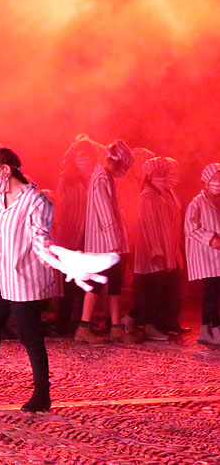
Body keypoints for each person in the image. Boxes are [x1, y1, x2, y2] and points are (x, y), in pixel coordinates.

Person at [0, 148, 115, 412]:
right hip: (0, 279)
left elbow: (40, 239)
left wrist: (62, 259)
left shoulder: (36, 201)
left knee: (30, 336)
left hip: (25, 282)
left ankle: (42, 394)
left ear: (6, 170)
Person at [75, 140, 140, 344]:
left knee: (115, 285)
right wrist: (114, 245)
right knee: (95, 284)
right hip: (105, 245)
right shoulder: (102, 177)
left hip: (111, 243)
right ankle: (83, 328)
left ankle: (116, 328)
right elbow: (105, 213)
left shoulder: (105, 177)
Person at [51, 135, 102, 335]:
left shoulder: (97, 178)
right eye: (79, 157)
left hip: (91, 235)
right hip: (70, 233)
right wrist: (61, 232)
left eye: (87, 156)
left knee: (86, 279)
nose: (83, 161)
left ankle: (81, 320)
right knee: (69, 280)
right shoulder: (67, 179)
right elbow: (61, 207)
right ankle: (64, 322)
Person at [130, 157, 183, 340]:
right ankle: (149, 326)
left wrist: (173, 250)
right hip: (153, 251)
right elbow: (149, 226)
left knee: (164, 288)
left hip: (167, 249)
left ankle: (161, 323)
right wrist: (156, 250)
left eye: (165, 174)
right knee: (152, 288)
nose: (163, 177)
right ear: (150, 176)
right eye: (159, 174)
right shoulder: (147, 197)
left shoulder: (166, 195)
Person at [184, 163, 220, 346]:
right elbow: (190, 228)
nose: (218, 183)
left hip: (216, 257)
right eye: (215, 178)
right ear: (206, 180)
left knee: (212, 293)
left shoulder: (217, 201)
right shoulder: (197, 202)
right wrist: (210, 238)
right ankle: (216, 330)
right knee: (211, 294)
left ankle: (205, 331)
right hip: (205, 257)